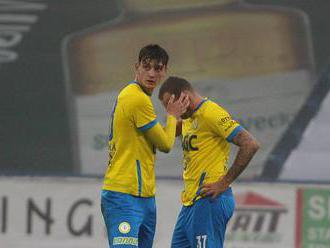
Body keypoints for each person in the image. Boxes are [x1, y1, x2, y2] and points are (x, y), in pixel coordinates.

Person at [101, 45, 189, 248]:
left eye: (157, 68)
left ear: (164, 71)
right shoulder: (136, 98)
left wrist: (192, 125)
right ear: (136, 67)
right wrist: (172, 115)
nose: (151, 73)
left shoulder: (140, 98)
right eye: (146, 66)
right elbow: (166, 144)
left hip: (145, 197)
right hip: (124, 196)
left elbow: (161, 136)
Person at [158, 76, 260, 248]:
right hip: (190, 203)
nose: (171, 109)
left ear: (184, 96)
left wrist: (224, 182)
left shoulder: (211, 113)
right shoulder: (189, 118)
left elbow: (250, 144)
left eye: (171, 103)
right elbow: (165, 134)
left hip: (209, 199)